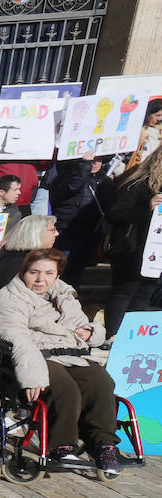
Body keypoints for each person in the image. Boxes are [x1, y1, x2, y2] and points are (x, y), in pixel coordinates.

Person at [0, 248, 120, 474]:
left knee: (100, 381)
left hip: (69, 354)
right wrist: (33, 376)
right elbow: (18, 340)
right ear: (24, 272)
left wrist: (90, 332)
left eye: (49, 273)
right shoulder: (9, 298)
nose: (41, 279)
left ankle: (103, 444)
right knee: (64, 387)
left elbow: (82, 322)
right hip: (30, 356)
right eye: (34, 272)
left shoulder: (64, 295)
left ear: (57, 275)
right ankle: (62, 445)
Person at [104, 147, 162, 338]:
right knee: (124, 292)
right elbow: (114, 214)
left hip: (155, 252)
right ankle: (113, 337)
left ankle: (131, 338)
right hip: (131, 248)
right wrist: (148, 207)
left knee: (145, 294)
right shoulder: (136, 185)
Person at [50, 151, 114, 286]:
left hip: (92, 230)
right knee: (60, 267)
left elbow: (109, 205)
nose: (95, 163)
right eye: (92, 160)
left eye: (99, 160)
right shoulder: (68, 176)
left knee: (77, 268)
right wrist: (84, 166)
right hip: (68, 228)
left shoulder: (105, 181)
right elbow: (72, 187)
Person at [0, 214, 59, 297]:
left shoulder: (29, 259)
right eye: (53, 230)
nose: (57, 234)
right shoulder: (16, 264)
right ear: (36, 233)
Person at [122, 98, 162, 174]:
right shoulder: (136, 131)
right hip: (134, 172)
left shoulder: (159, 133)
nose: (160, 119)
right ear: (148, 114)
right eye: (158, 115)